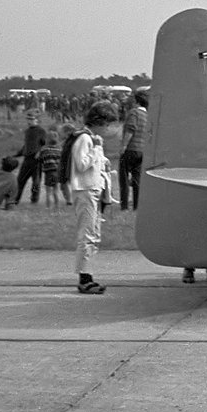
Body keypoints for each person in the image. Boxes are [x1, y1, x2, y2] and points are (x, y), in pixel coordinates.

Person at [72, 100, 119, 294]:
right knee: (87, 234)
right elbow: (81, 164)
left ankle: (88, 273)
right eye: (106, 123)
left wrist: (103, 161)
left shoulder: (91, 138)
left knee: (94, 233)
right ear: (99, 122)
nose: (107, 128)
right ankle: (84, 277)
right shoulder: (85, 139)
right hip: (85, 189)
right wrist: (97, 150)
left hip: (94, 189)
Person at [119, 90, 148, 211]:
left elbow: (131, 129)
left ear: (136, 100)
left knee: (124, 177)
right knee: (137, 180)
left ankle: (124, 205)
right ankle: (136, 205)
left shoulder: (134, 113)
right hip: (142, 150)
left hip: (131, 148)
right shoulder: (147, 115)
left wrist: (124, 146)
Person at [12, 111, 49, 206]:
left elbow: (44, 144)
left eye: (31, 119)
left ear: (37, 120)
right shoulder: (27, 131)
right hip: (27, 159)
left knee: (36, 182)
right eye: (28, 119)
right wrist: (17, 154)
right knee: (20, 180)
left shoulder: (41, 131)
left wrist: (39, 152)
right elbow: (26, 145)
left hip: (36, 160)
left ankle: (34, 200)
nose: (29, 121)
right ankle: (15, 200)